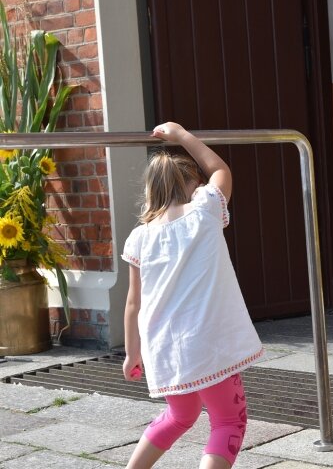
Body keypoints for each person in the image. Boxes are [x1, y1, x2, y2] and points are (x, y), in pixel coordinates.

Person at [121, 122, 264, 469]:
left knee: (179, 415)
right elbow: (220, 170)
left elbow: (132, 302)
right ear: (191, 185)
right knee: (229, 421)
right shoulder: (205, 210)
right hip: (208, 344)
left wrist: (132, 353)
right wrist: (182, 136)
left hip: (163, 348)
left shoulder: (139, 237)